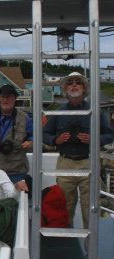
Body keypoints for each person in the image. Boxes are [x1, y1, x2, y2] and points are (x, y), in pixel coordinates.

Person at [43, 72, 114, 228]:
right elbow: (44, 133)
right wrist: (56, 140)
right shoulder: (59, 112)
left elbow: (109, 134)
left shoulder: (95, 112)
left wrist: (94, 139)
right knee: (63, 208)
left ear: (84, 88)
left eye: (78, 82)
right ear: (65, 88)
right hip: (65, 163)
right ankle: (67, 248)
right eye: (70, 82)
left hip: (88, 162)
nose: (74, 85)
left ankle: (91, 251)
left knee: (90, 209)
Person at [0, 84, 33, 192]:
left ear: (15, 98)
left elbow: (33, 138)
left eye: (9, 97)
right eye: (3, 97)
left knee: (16, 204)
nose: (6, 100)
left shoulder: (24, 118)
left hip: (18, 171)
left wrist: (30, 143)